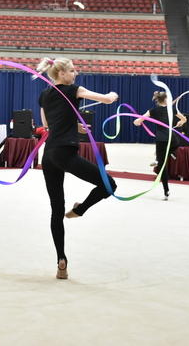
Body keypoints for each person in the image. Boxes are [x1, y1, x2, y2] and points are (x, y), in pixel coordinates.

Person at [36, 57, 119, 280]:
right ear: (61, 74)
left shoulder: (44, 95)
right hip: (64, 153)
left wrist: (74, 126)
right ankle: (80, 210)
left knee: (56, 209)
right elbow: (106, 100)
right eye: (72, 70)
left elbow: (48, 125)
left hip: (49, 155)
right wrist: (112, 96)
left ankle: (61, 260)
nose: (76, 73)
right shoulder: (74, 89)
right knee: (109, 184)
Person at [134, 91, 187, 201]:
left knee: (162, 167)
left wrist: (137, 122)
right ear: (166, 99)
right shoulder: (171, 110)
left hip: (161, 140)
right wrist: (181, 122)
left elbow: (139, 120)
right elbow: (184, 119)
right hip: (172, 140)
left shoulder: (153, 110)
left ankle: (166, 191)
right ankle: (162, 157)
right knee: (178, 143)